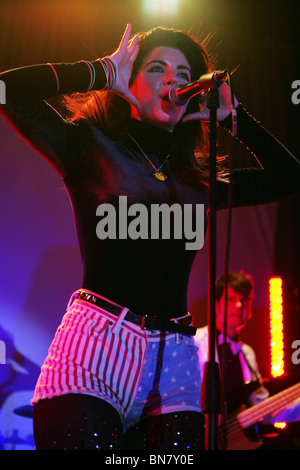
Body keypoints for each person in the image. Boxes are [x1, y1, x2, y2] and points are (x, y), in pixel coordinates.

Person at [0, 23, 299, 450]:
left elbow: (290, 178)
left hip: (175, 362)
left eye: (183, 74)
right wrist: (99, 72)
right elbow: (6, 90)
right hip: (94, 350)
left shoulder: (200, 181)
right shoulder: (89, 144)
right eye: (157, 68)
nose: (173, 81)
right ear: (131, 82)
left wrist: (237, 119)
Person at [195, 271, 269, 418]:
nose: (239, 305)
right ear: (216, 305)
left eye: (245, 299)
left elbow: (263, 409)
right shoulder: (195, 341)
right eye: (231, 299)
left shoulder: (247, 353)